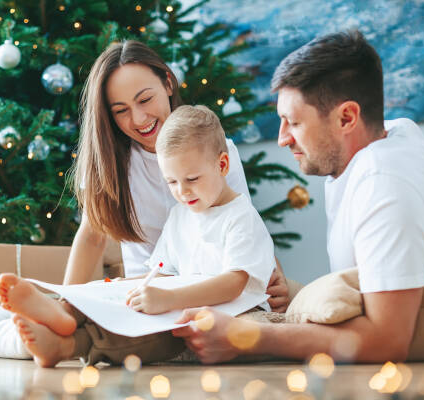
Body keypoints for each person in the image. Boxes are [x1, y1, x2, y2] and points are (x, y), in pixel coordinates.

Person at [172, 29, 424, 363]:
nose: (283, 139)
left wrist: (245, 337)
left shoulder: (383, 183)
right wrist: (295, 294)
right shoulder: (393, 133)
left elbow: (389, 341)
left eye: (293, 122)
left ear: (347, 117)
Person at [0, 105, 277, 367]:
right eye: (171, 182)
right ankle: (68, 310)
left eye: (192, 179)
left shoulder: (240, 216)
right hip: (184, 301)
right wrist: (126, 285)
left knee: (164, 333)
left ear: (223, 165)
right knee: (115, 292)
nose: (182, 191)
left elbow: (233, 284)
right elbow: (164, 272)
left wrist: (169, 300)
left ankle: (68, 345)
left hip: (232, 310)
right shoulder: (181, 214)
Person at [63, 40, 290, 311]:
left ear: (168, 84)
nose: (138, 119)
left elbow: (241, 218)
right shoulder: (111, 165)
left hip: (214, 293)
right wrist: (68, 301)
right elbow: (92, 237)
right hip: (151, 291)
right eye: (121, 111)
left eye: (145, 99)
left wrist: (272, 275)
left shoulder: (216, 150)